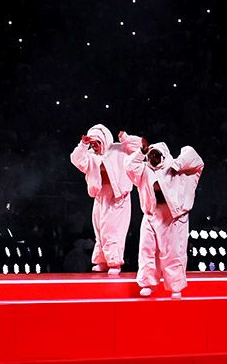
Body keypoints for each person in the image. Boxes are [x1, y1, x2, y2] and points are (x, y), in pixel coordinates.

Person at [131, 142, 203, 297]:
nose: (154, 158)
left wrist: (178, 164)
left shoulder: (176, 168)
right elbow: (129, 167)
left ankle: (175, 287)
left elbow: (195, 158)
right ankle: (148, 283)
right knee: (147, 250)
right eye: (151, 155)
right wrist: (140, 152)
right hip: (151, 214)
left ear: (163, 155)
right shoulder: (144, 170)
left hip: (173, 217)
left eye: (156, 155)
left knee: (173, 253)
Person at [69, 125, 139, 275]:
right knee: (100, 230)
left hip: (118, 197)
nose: (94, 147)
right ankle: (103, 261)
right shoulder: (91, 156)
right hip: (101, 196)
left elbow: (140, 148)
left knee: (113, 231)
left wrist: (126, 139)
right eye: (92, 144)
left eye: (96, 143)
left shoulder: (118, 150)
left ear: (103, 140)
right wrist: (83, 145)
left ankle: (114, 262)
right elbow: (75, 159)